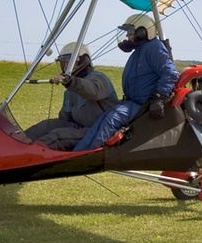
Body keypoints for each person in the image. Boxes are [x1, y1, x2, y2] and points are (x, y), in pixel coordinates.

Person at [72, 14, 179, 151]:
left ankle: (86, 153)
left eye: (130, 33)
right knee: (103, 119)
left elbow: (169, 73)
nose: (128, 37)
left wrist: (159, 98)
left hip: (143, 104)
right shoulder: (138, 51)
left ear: (142, 32)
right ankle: (77, 152)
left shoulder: (153, 47)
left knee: (111, 119)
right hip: (131, 102)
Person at [24, 42, 118, 150]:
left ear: (83, 61)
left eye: (70, 63)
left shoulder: (99, 78)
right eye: (64, 64)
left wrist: (71, 82)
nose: (66, 67)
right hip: (79, 127)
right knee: (46, 126)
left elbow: (92, 90)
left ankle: (28, 155)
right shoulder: (70, 91)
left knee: (56, 137)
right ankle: (15, 145)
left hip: (98, 130)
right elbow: (64, 120)